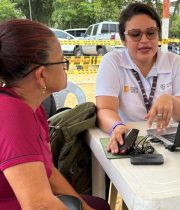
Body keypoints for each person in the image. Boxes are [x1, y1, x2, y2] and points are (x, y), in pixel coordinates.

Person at [0, 19, 110, 210]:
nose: (66, 66)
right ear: (42, 74)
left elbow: (48, 171)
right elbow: (39, 205)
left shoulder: (34, 109)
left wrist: (85, 207)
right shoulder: (13, 114)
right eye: (62, 61)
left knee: (97, 205)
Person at [96, 2, 180, 154]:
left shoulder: (174, 62)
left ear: (158, 35)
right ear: (123, 39)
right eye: (135, 34)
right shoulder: (113, 62)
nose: (144, 40)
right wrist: (116, 126)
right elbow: (104, 109)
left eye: (151, 32)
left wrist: (171, 101)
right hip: (132, 141)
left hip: (170, 142)